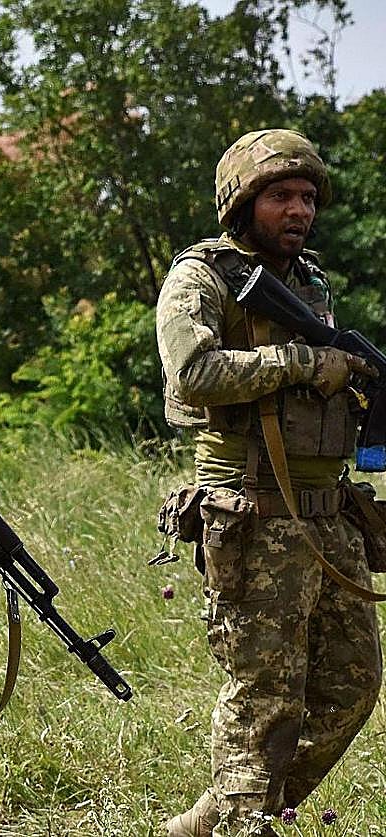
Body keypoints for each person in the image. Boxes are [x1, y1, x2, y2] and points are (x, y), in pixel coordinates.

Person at [156, 129, 382, 836]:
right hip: (253, 512)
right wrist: (302, 362)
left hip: (328, 514)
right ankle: (238, 823)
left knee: (351, 686)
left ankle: (217, 814)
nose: (299, 210)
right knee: (265, 701)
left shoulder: (311, 280)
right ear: (244, 200)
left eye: (309, 197)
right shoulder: (205, 275)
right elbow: (190, 375)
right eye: (281, 195)